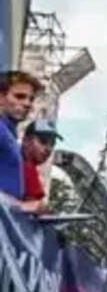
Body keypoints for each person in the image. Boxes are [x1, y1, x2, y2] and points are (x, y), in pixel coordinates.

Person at [0, 71, 42, 208]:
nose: (27, 103)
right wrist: (19, 206)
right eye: (19, 96)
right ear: (1, 98)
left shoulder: (11, 137)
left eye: (31, 99)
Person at [20, 118, 60, 214]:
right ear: (26, 141)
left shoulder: (30, 166)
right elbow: (34, 209)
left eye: (52, 144)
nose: (48, 149)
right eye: (43, 141)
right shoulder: (25, 166)